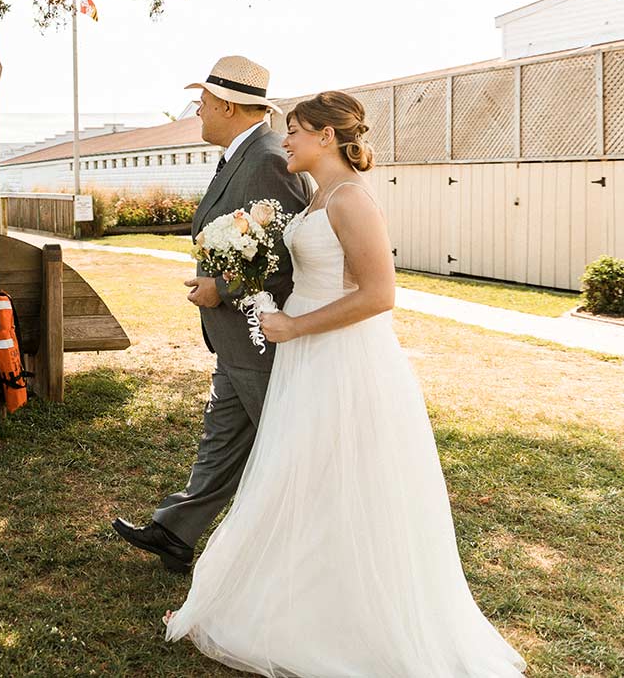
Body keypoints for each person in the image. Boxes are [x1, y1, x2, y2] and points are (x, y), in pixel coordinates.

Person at [164, 91, 525, 676]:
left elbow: (379, 296)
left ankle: (347, 615)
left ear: (326, 137)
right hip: (307, 355)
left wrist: (293, 326)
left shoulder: (352, 200)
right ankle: (300, 592)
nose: (287, 141)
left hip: (342, 357)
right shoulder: (318, 198)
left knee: (343, 476)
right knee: (304, 474)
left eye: (298, 132)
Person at [113, 55, 309, 571]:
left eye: (201, 103)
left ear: (227, 105)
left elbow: (286, 253)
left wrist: (220, 288)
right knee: (223, 434)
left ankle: (308, 553)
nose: (197, 112)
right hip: (234, 337)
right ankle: (175, 532)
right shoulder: (240, 155)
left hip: (257, 334)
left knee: (291, 448)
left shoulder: (267, 158)